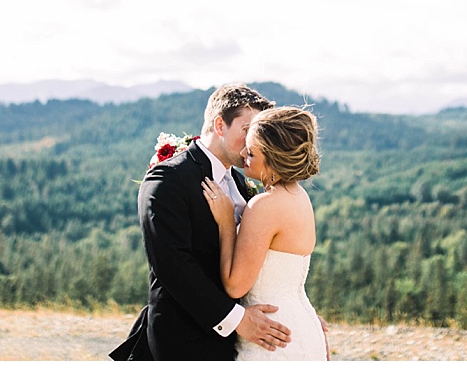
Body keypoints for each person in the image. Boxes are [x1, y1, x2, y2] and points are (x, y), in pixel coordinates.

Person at [110, 84, 293, 361]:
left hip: (242, 342)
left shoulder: (242, 183)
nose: (254, 142)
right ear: (220, 125)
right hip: (184, 342)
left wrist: (292, 308)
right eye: (247, 130)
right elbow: (173, 265)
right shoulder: (168, 179)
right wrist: (237, 320)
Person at [201, 106, 328, 361]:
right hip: (301, 326)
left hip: (271, 337)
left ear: (271, 158)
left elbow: (235, 285)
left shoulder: (265, 206)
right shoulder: (299, 197)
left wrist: (226, 223)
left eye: (253, 150)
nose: (244, 153)